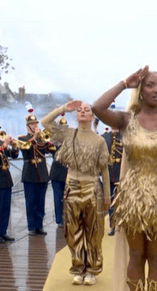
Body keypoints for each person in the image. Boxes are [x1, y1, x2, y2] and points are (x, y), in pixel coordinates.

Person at [92, 66, 157, 291]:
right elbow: (97, 107)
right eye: (150, 85)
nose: (156, 89)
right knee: (136, 255)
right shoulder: (127, 119)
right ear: (140, 90)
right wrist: (123, 83)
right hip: (133, 197)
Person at [41, 101, 110, 286]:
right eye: (79, 110)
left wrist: (107, 196)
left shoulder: (99, 140)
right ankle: (78, 268)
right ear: (76, 115)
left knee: (94, 232)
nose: (82, 112)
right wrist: (63, 108)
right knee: (73, 231)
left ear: (92, 116)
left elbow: (104, 170)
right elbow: (45, 122)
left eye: (86, 110)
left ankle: (93, 270)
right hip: (71, 186)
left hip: (92, 188)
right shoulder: (68, 134)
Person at [18, 113, 56, 236]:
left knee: (40, 202)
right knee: (30, 202)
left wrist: (48, 140)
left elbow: (50, 150)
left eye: (35, 124)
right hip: (30, 173)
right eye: (32, 124)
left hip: (42, 172)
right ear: (27, 126)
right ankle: (32, 227)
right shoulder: (23, 138)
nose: (35, 126)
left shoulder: (41, 138)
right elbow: (26, 149)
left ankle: (39, 225)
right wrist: (34, 136)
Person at [101, 127, 123, 236]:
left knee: (123, 201)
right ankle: (113, 225)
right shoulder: (104, 137)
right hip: (109, 174)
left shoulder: (125, 137)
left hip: (122, 175)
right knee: (110, 202)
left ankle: (123, 225)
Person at [0, 130, 19, 243]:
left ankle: (3, 232)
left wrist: (15, 147)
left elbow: (13, 156)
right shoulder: (2, 145)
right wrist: (5, 144)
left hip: (6, 180)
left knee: (6, 208)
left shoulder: (1, 144)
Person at [49, 116, 68, 228]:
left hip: (67, 172)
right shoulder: (53, 140)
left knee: (68, 197)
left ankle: (67, 216)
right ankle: (59, 219)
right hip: (57, 172)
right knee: (57, 197)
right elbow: (54, 152)